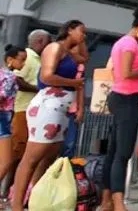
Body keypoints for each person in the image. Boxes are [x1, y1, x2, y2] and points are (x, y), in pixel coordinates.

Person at [10, 20, 86, 211]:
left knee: (48, 156)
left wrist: (80, 40)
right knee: (32, 157)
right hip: (48, 105)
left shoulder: (71, 53)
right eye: (81, 31)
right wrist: (73, 83)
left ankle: (36, 199)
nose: (84, 35)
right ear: (69, 30)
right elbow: (46, 76)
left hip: (62, 107)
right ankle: (17, 204)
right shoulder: (54, 48)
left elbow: (84, 58)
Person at [101, 6, 138, 211]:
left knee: (114, 152)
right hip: (126, 99)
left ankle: (106, 200)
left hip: (123, 99)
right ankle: (118, 203)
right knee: (122, 153)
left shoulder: (122, 43)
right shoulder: (128, 44)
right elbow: (125, 72)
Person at [9, 29, 50, 195]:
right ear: (40, 41)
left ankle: (14, 191)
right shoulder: (28, 57)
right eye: (47, 42)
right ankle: (6, 191)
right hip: (22, 110)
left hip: (30, 112)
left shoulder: (36, 59)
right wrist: (39, 89)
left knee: (24, 153)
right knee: (15, 154)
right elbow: (16, 79)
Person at [0, 46, 26, 198]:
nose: (23, 65)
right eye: (21, 60)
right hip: (3, 117)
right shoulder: (10, 76)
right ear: (10, 60)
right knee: (7, 161)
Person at [63, 39, 88, 159]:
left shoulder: (80, 67)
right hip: (57, 105)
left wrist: (81, 108)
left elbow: (81, 88)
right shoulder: (59, 64)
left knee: (70, 143)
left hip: (72, 108)